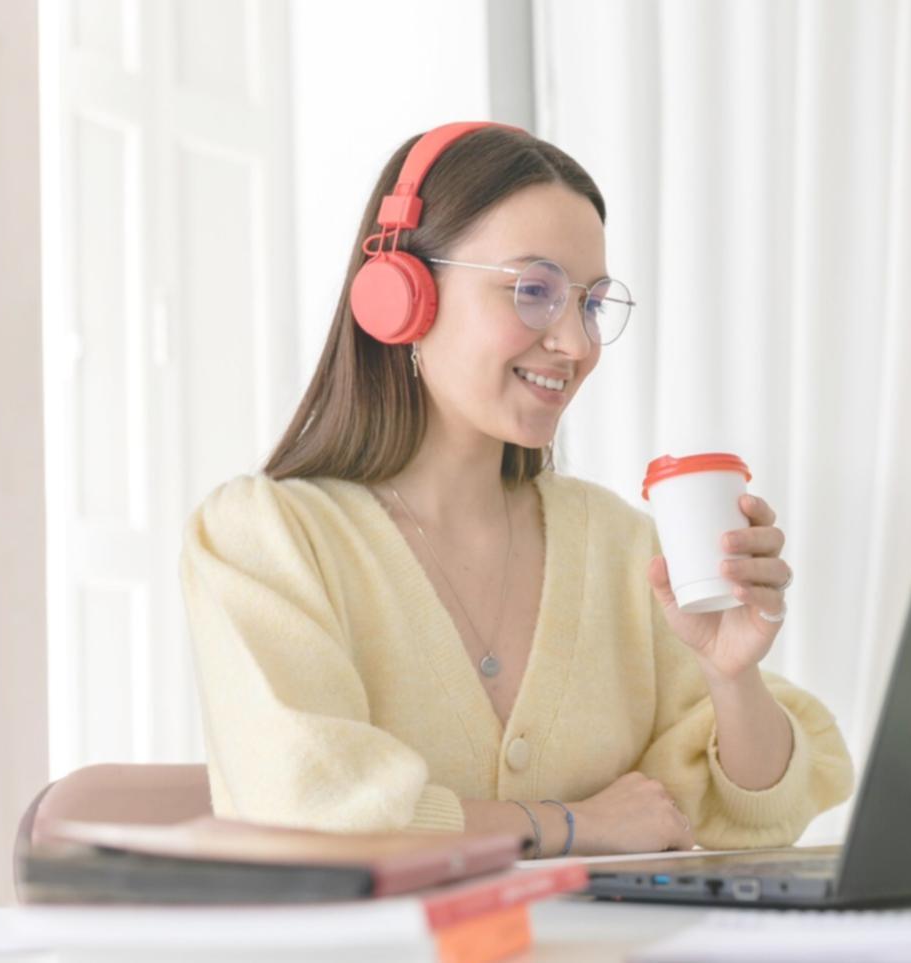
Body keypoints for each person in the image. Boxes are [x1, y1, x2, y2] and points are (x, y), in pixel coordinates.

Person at [179, 122, 853, 858]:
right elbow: (312, 810)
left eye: (591, 304)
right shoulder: (266, 539)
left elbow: (759, 817)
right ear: (401, 295)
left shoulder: (620, 546)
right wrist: (572, 823)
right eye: (534, 291)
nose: (576, 343)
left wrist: (732, 673)